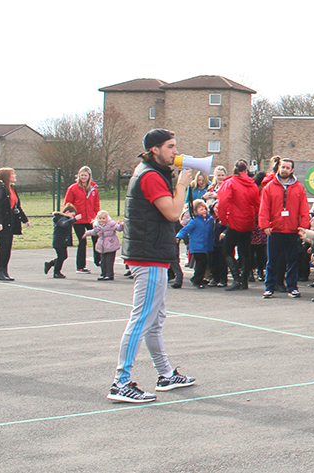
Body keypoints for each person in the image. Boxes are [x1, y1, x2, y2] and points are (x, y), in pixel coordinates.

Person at [107, 128, 196, 403]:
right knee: (142, 320)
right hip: (149, 255)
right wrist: (182, 185)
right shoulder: (149, 175)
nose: (175, 151)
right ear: (155, 149)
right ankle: (120, 382)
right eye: (171, 146)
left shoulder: (150, 172)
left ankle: (166, 374)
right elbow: (171, 212)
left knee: (154, 321)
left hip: (152, 252)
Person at [258, 157, 310, 298]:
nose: (285, 170)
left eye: (287, 168)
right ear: (278, 168)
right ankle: (269, 287)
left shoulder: (298, 188)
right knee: (272, 260)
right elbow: (264, 208)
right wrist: (265, 225)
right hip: (275, 229)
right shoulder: (269, 187)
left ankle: (292, 287)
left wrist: (303, 227)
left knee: (292, 260)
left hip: (292, 230)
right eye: (283, 167)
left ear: (292, 170)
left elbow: (304, 209)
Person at [215, 160, 259, 291]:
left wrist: (223, 219)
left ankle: (237, 278)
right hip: (248, 221)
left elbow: (222, 202)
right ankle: (244, 280)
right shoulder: (252, 184)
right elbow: (257, 204)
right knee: (246, 252)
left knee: (227, 250)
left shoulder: (229, 183)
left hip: (234, 220)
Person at [0, 167, 27, 280]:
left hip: (9, 222)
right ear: (6, 176)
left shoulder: (12, 188)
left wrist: (24, 219)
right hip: (0, 222)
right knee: (4, 245)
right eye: (12, 174)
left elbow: (16, 206)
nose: (15, 176)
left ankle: (4, 271)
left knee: (7, 246)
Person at [64, 166, 101, 274]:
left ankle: (99, 260)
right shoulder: (73, 188)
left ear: (89, 176)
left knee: (96, 239)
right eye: (81, 175)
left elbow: (96, 203)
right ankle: (80, 266)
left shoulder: (93, 188)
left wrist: (96, 217)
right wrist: (71, 215)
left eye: (85, 175)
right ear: (78, 176)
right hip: (78, 220)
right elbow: (68, 203)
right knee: (82, 241)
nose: (83, 177)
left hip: (91, 218)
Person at [177, 200, 217, 289]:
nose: (204, 211)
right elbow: (186, 229)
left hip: (206, 244)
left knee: (204, 262)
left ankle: (197, 277)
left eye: (204, 209)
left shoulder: (209, 219)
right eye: (201, 209)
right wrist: (179, 236)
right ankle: (197, 280)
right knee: (201, 262)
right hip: (197, 245)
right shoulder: (194, 220)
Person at [85, 210, 124, 280]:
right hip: (102, 245)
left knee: (109, 261)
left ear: (107, 218)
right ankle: (103, 274)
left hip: (111, 244)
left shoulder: (111, 224)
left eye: (103, 218)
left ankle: (110, 275)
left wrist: (121, 225)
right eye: (100, 218)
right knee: (103, 261)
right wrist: (86, 233)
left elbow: (118, 228)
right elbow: (94, 232)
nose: (101, 220)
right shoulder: (97, 226)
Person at [43, 204, 78, 279]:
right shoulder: (60, 218)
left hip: (63, 241)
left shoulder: (65, 218)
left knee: (63, 256)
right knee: (61, 256)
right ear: (67, 212)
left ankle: (50, 264)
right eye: (72, 215)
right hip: (58, 241)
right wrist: (74, 219)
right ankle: (56, 272)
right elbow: (63, 224)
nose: (72, 217)